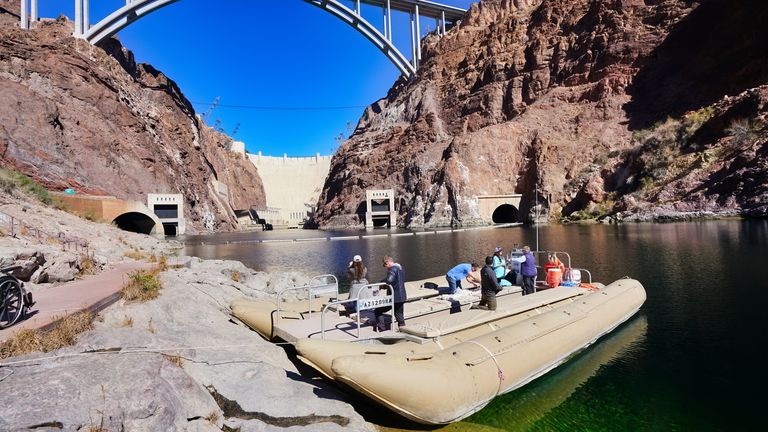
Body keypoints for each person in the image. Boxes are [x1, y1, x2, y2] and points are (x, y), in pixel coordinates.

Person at [374, 255, 407, 332]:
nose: (385, 267)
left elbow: (389, 280)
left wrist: (382, 282)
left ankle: (382, 329)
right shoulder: (401, 269)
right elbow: (397, 282)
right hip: (402, 296)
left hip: (394, 297)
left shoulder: (392, 269)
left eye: (384, 265)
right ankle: (403, 329)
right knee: (399, 314)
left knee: (378, 310)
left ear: (387, 262)